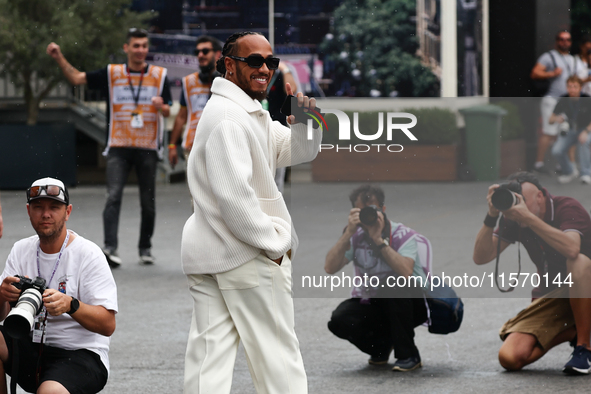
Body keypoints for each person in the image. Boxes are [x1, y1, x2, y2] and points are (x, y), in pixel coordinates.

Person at [181, 31, 322, 394]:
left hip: (214, 255)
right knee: (278, 363)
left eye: (270, 62)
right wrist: (275, 244)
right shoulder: (231, 117)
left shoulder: (241, 111)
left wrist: (307, 122)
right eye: (254, 61)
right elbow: (235, 198)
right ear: (230, 66)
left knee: (207, 364)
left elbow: (290, 151)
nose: (265, 69)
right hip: (246, 257)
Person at [46, 28, 173, 267]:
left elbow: (168, 109)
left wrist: (161, 107)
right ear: (126, 48)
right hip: (118, 146)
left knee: (148, 201)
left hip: (147, 146)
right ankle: (110, 248)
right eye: (136, 46)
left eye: (144, 46)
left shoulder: (159, 75)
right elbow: (76, 79)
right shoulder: (112, 73)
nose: (140, 50)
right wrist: (58, 57)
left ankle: (145, 247)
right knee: (113, 197)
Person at [0, 177, 118, 394]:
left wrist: (71, 305)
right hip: (32, 348)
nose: (46, 214)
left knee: (50, 392)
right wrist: (2, 296)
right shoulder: (20, 249)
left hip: (81, 355)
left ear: (68, 212)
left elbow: (108, 324)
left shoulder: (88, 254)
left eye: (54, 207)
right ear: (28, 211)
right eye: (38, 207)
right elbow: (2, 317)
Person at [473, 171, 591, 374]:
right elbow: (481, 257)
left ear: (540, 196)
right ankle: (571, 330)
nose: (518, 207)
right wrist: (491, 216)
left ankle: (583, 348)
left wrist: (529, 219)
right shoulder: (514, 219)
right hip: (554, 296)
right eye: (515, 201)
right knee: (509, 357)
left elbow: (572, 249)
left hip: (585, 287)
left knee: (578, 262)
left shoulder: (567, 207)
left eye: (523, 200)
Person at [325, 184, 428, 372]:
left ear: (383, 209)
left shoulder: (402, 235)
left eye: (373, 210)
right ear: (354, 212)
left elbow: (406, 272)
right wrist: (348, 233)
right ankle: (381, 346)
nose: (369, 216)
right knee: (339, 320)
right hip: (375, 303)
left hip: (412, 304)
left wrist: (379, 241)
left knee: (394, 283)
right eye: (362, 212)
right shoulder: (354, 236)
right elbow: (330, 267)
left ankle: (408, 354)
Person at [168, 35, 222, 168]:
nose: (200, 55)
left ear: (217, 54)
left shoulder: (228, 81)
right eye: (197, 52)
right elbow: (181, 116)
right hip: (193, 146)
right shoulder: (188, 82)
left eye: (205, 51)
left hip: (221, 146)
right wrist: (172, 145)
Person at [531, 31, 577, 174]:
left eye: (567, 39)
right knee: (549, 132)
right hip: (552, 99)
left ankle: (561, 164)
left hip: (565, 101)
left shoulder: (571, 59)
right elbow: (535, 73)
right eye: (561, 39)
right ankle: (539, 164)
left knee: (564, 131)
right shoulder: (549, 57)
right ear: (556, 41)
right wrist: (552, 74)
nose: (564, 42)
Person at [262, 62, 299, 192]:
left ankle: (276, 208)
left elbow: (292, 89)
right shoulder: (256, 75)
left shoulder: (280, 75)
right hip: (257, 129)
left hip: (277, 130)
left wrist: (285, 68)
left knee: (276, 179)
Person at [549, 76, 591, 184]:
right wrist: (557, 118)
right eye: (569, 86)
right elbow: (551, 119)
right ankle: (569, 171)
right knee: (556, 150)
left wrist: (585, 131)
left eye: (575, 87)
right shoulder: (564, 99)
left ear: (580, 88)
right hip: (571, 129)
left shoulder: (587, 99)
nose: (572, 89)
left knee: (584, 141)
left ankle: (586, 173)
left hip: (586, 129)